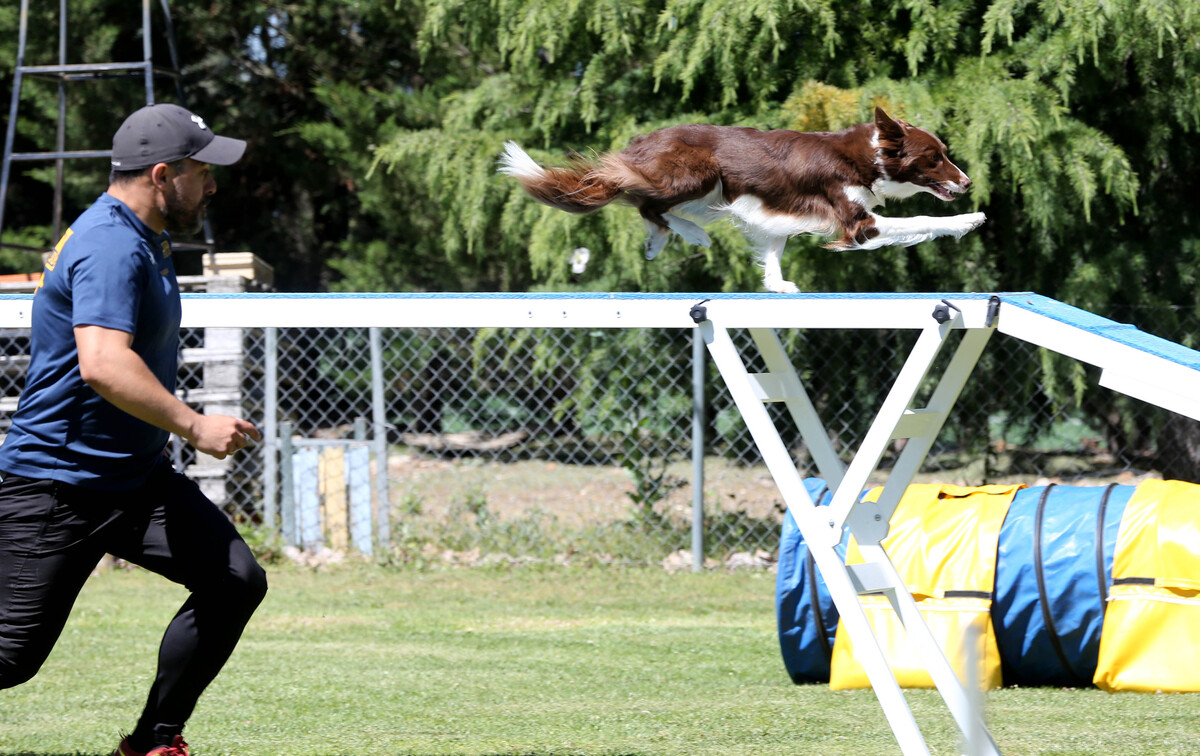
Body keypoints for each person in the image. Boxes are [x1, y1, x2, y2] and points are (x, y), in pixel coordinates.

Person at [0, 104, 268, 756]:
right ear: (160, 174)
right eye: (200, 171)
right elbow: (102, 363)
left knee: (234, 579)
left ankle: (153, 742)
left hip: (135, 479)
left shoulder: (147, 236)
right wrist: (194, 425)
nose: (210, 185)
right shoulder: (110, 243)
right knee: (10, 658)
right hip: (57, 485)